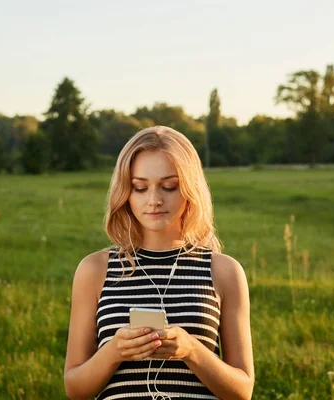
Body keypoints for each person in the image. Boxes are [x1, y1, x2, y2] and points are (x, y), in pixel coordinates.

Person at [63, 126, 254, 400]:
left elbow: (242, 391)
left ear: (189, 189)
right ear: (125, 193)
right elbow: (75, 389)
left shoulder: (224, 271)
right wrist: (114, 352)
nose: (154, 200)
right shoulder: (95, 270)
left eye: (169, 186)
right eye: (140, 188)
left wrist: (191, 350)